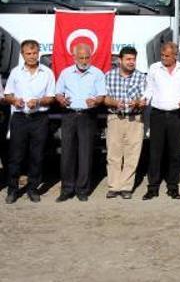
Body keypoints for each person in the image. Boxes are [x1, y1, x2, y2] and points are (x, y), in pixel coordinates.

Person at [3, 40, 56, 203]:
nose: (32, 57)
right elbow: (7, 94)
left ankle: (33, 189)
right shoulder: (15, 72)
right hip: (19, 118)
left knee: (37, 156)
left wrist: (39, 102)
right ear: (22, 54)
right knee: (16, 156)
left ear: (38, 53)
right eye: (28, 53)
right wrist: (14, 101)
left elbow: (51, 97)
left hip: (39, 119)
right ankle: (12, 189)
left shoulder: (47, 73)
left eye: (34, 53)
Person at [55, 43, 106, 202]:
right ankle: (66, 189)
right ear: (74, 57)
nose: (84, 60)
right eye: (81, 57)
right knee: (67, 153)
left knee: (85, 153)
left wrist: (96, 101)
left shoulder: (97, 73)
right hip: (69, 115)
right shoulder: (65, 73)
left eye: (87, 57)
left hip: (87, 116)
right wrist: (61, 99)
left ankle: (82, 189)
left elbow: (102, 95)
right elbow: (58, 93)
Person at [143, 42, 180, 200]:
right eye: (162, 55)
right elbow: (149, 88)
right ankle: (152, 187)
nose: (164, 58)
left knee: (175, 153)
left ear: (175, 56)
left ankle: (173, 187)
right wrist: (144, 99)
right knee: (155, 153)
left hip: (177, 115)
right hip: (157, 114)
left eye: (167, 56)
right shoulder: (154, 68)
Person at [103, 46, 147, 199]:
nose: (131, 62)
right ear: (119, 60)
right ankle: (114, 186)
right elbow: (104, 98)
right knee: (113, 154)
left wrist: (138, 103)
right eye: (128, 59)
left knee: (132, 154)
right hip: (115, 118)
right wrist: (115, 103)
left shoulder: (141, 77)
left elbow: (144, 99)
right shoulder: (109, 76)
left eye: (133, 59)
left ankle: (126, 186)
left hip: (135, 119)